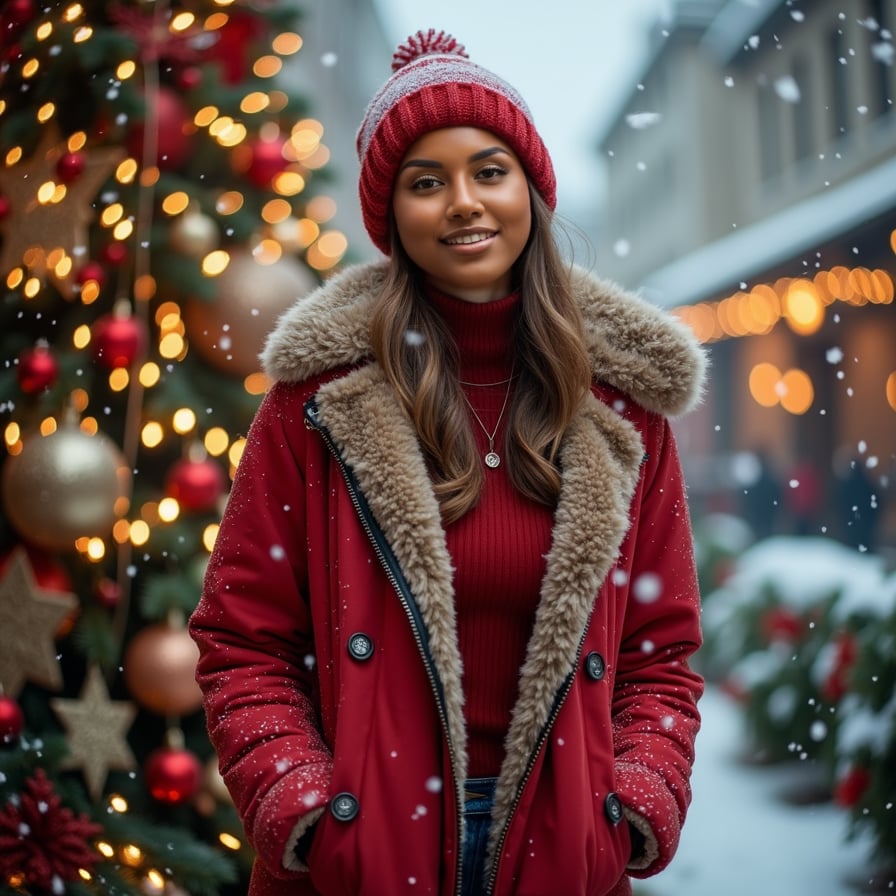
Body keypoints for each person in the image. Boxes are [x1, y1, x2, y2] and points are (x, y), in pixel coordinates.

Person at [189, 28, 707, 896]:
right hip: (365, 847)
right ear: (392, 215)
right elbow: (241, 638)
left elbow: (663, 651)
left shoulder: (622, 409)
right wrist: (305, 802)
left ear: (531, 191)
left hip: (565, 844)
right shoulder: (318, 405)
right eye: (426, 183)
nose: (464, 202)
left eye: (489, 171)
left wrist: (635, 800)